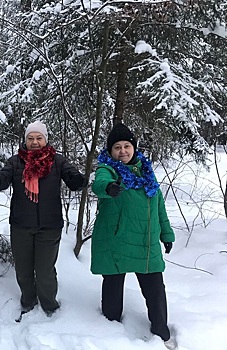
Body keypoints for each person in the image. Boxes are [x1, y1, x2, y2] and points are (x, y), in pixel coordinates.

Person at [0, 120, 86, 318]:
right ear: (25, 140)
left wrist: (77, 180)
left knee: (44, 271)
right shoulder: (15, 162)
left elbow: (71, 174)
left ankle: (49, 305)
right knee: (23, 270)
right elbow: (4, 178)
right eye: (30, 138)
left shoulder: (58, 161)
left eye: (39, 138)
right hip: (21, 225)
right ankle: (28, 300)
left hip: (49, 226)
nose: (34, 141)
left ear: (45, 140)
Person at [90, 122, 176, 349]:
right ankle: (109, 331)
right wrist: (109, 188)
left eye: (127, 146)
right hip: (116, 238)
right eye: (117, 147)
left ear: (134, 148)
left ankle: (161, 330)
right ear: (110, 151)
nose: (122, 151)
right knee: (113, 285)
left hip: (146, 240)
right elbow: (99, 183)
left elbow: (159, 206)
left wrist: (166, 233)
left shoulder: (147, 173)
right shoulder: (107, 169)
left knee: (155, 288)